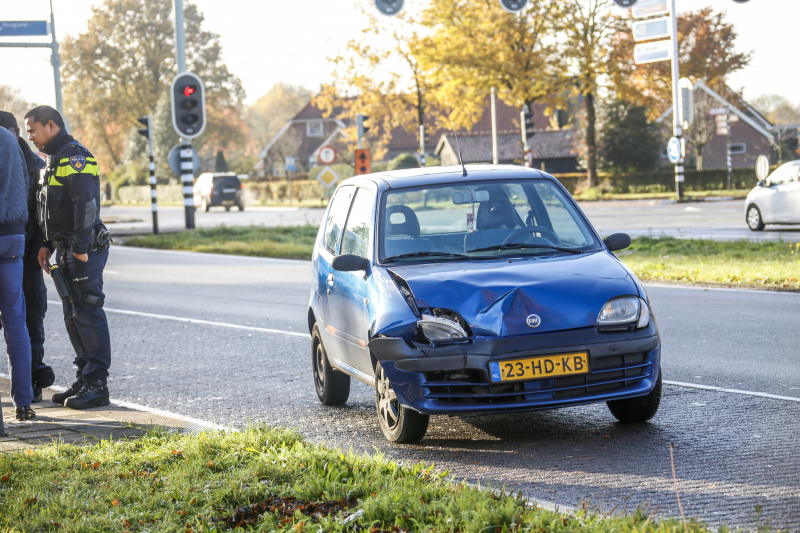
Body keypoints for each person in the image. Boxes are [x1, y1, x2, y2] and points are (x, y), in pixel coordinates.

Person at [25, 105, 112, 410]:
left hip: (82, 248)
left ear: (51, 125)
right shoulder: (52, 161)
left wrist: (80, 248)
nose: (30, 136)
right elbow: (50, 209)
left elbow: (85, 204)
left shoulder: (76, 157)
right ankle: (85, 379)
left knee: (87, 311)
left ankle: (97, 386)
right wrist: (46, 244)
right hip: (64, 248)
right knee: (73, 316)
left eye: (33, 130)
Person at [0, 111, 55, 403]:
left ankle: (31, 381)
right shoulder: (29, 160)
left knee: (27, 317)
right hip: (19, 244)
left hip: (23, 249)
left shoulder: (31, 162)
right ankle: (25, 394)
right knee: (20, 320)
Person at [0, 126, 35, 420]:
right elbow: (25, 183)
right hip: (13, 236)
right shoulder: (10, 139)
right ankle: (23, 403)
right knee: (15, 321)